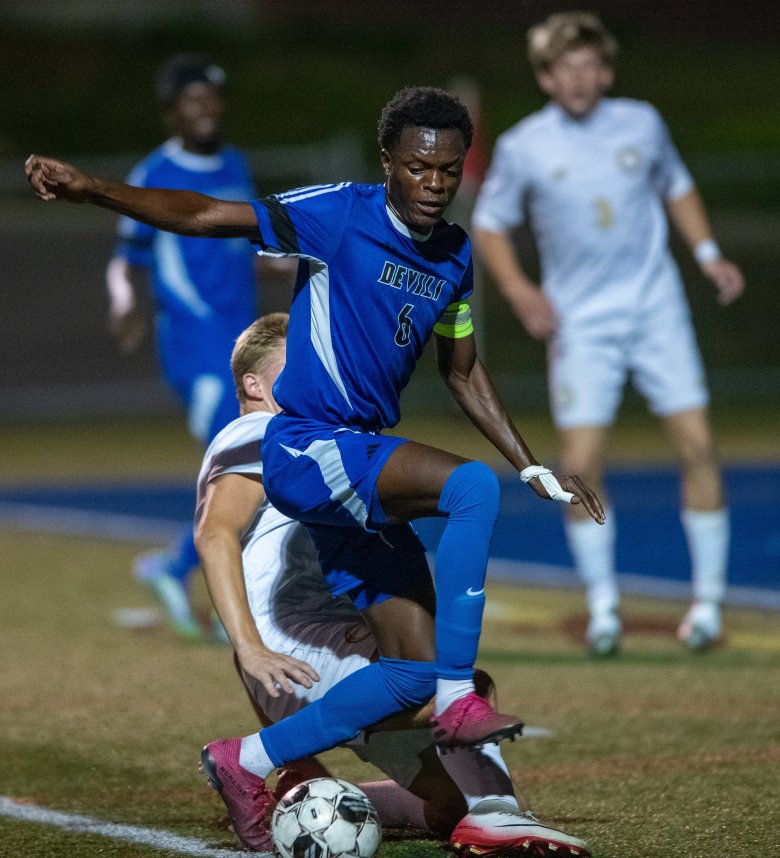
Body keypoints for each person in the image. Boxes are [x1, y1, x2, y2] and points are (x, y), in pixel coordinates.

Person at [26, 83, 604, 851]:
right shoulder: (339, 213)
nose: (434, 183)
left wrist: (533, 467)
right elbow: (207, 216)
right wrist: (95, 190)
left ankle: (247, 761)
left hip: (356, 460)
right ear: (387, 163)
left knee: (415, 669)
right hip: (308, 445)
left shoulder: (456, 255)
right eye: (418, 167)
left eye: (448, 170)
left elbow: (463, 371)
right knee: (469, 488)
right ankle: (457, 702)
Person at [194, 312, 590, 856]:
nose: (314, 376)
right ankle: (497, 816)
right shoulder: (261, 433)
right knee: (459, 686)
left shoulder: (306, 440)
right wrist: (250, 648)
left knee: (445, 805)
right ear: (255, 385)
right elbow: (214, 533)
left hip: (319, 647)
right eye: (298, 365)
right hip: (301, 648)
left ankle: (313, 801)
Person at [472, 13, 745, 656]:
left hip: (656, 310)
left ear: (607, 71)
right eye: (565, 67)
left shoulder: (641, 123)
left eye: (590, 65)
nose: (579, 78)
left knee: (699, 446)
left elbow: (677, 186)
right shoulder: (525, 145)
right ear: (546, 77)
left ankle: (707, 605)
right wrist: (520, 290)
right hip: (581, 325)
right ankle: (603, 608)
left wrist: (708, 254)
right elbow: (489, 223)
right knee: (579, 465)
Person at [107, 54, 260, 639]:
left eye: (211, 96)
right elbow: (126, 257)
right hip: (196, 347)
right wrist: (124, 300)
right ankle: (228, 607)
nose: (205, 108)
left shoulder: (236, 163)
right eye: (192, 98)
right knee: (245, 464)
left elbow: (246, 247)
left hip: (246, 342)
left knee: (254, 467)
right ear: (172, 110)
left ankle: (177, 569)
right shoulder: (155, 172)